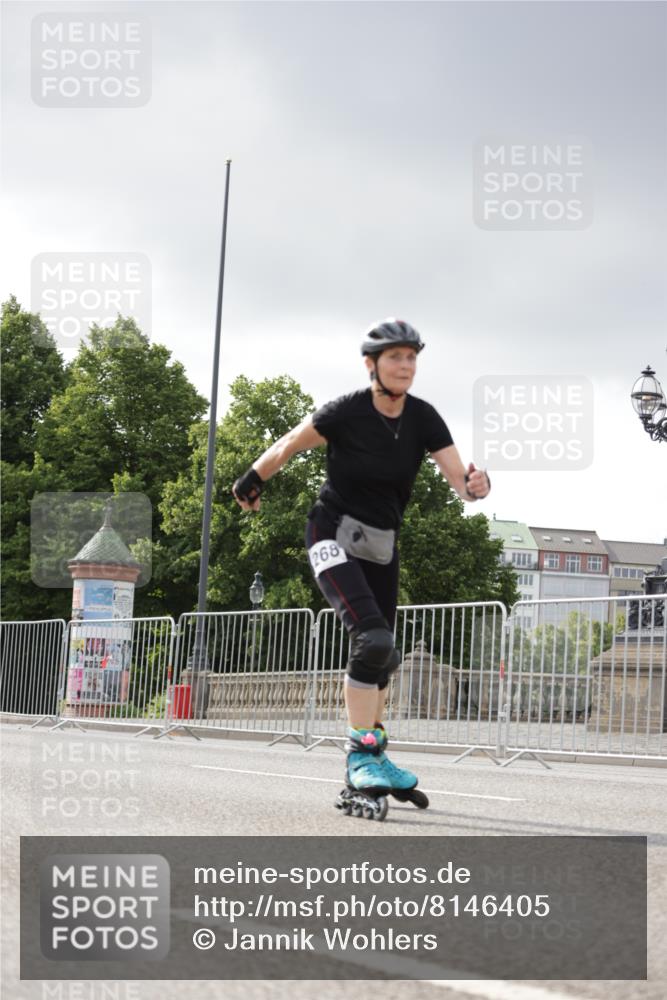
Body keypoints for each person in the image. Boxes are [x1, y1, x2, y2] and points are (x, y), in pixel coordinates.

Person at [233, 319, 490, 818]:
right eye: (396, 357)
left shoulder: (424, 419)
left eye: (412, 358)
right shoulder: (346, 411)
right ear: (371, 364)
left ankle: (376, 753)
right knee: (372, 641)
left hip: (380, 545)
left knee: (385, 658)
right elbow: (288, 444)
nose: (406, 366)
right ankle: (358, 756)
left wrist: (477, 486)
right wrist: (251, 479)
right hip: (331, 531)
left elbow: (462, 482)